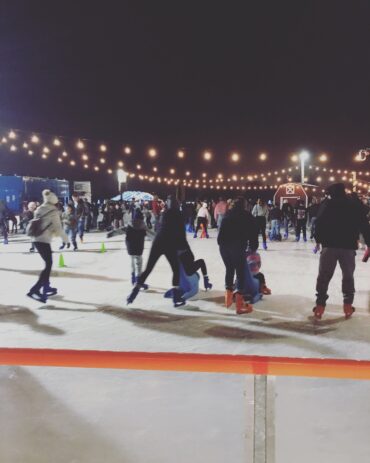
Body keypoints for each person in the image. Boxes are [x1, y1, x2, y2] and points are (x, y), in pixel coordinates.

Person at [312, 183, 370, 319]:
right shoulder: (354, 204)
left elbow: (318, 223)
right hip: (348, 246)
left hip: (329, 246)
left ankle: (320, 306)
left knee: (324, 276)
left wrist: (319, 240)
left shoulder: (327, 204)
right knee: (348, 276)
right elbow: (364, 223)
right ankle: (347, 305)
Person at [127, 195, 189, 307]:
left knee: (148, 269)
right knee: (175, 270)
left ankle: (133, 293)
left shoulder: (164, 213)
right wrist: (184, 248)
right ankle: (176, 297)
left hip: (158, 242)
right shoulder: (179, 215)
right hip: (169, 244)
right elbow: (181, 233)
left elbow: (158, 228)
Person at [218, 197, 258, 314]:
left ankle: (228, 298)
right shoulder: (247, 216)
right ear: (244, 205)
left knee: (229, 269)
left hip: (224, 247)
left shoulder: (227, 215)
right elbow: (253, 234)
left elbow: (220, 234)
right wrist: (253, 247)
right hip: (237, 246)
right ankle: (239, 305)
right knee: (240, 272)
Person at [27, 190, 68, 303]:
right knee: (48, 265)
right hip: (43, 240)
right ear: (54, 201)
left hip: (35, 239)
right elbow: (58, 228)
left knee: (48, 263)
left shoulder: (40, 208)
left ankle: (46, 286)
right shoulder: (53, 211)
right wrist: (66, 240)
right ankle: (35, 290)